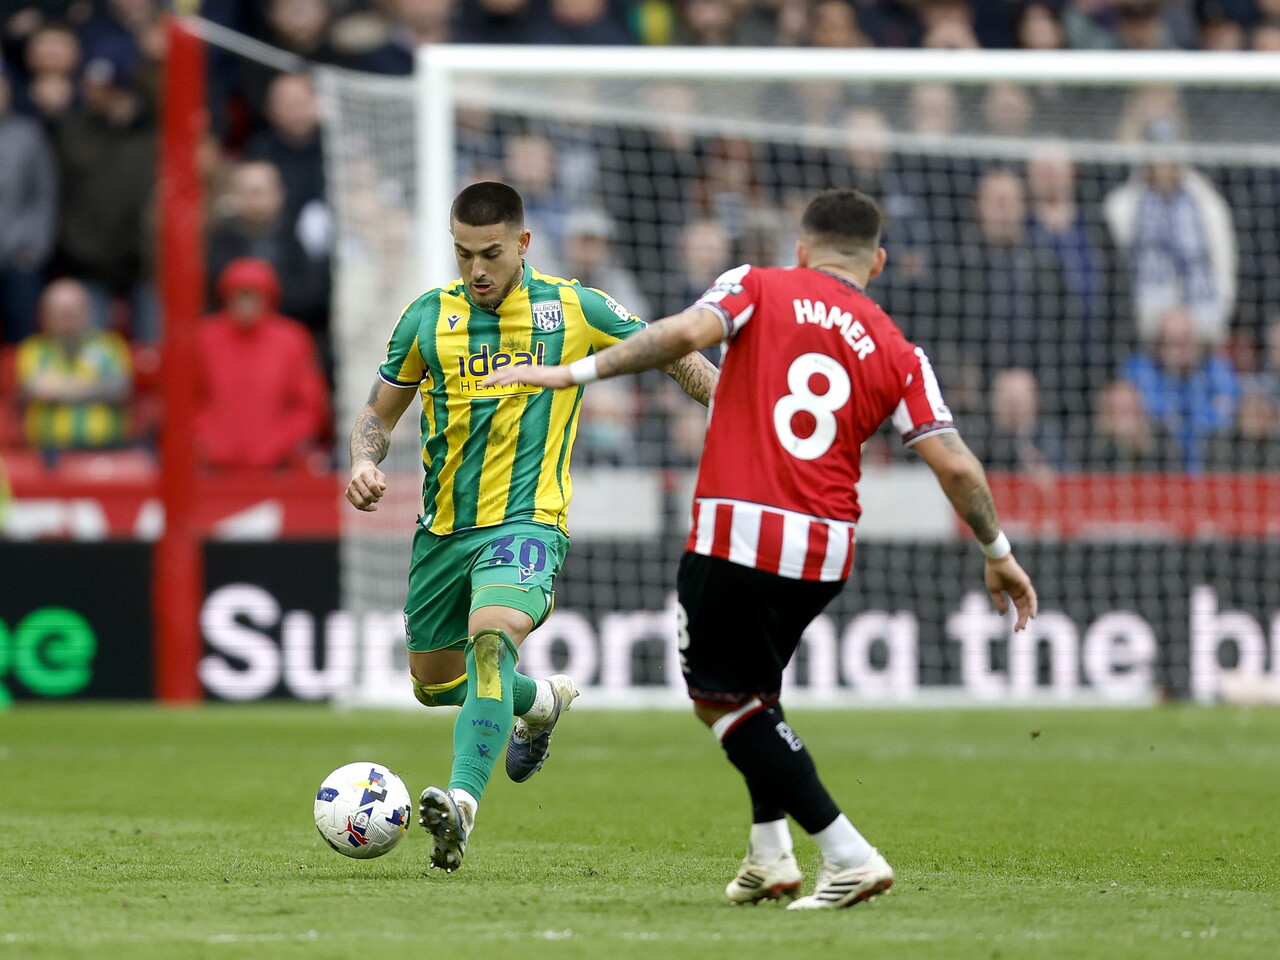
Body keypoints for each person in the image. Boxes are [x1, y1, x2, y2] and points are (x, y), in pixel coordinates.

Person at [484, 188, 1038, 909]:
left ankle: (847, 853)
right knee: (757, 694)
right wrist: (997, 550)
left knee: (720, 703)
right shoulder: (900, 350)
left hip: (738, 533)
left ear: (801, 249)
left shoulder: (756, 285)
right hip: (827, 554)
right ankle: (770, 855)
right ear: (878, 260)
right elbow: (958, 464)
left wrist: (571, 372)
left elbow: (682, 335)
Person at [344, 181, 717, 873]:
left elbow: (670, 350)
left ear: (522, 243)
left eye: (490, 253)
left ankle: (461, 806)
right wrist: (364, 462)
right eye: (462, 254)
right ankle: (540, 703)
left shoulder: (571, 306)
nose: (476, 270)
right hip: (443, 532)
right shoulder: (427, 318)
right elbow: (377, 415)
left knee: (491, 639)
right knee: (432, 684)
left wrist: (728, 400)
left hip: (528, 520)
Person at [195, 258, 329, 469]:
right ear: (226, 296)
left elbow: (311, 406)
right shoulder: (205, 338)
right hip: (214, 468)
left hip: (277, 468)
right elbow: (184, 401)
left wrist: (281, 441)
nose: (246, 303)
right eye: (239, 294)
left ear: (268, 296)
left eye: (254, 294)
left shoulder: (292, 340)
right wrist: (208, 440)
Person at [16, 277, 131, 459]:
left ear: (87, 312)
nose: (68, 321)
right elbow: (36, 389)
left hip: (107, 451)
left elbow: (119, 390)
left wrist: (59, 388)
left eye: (72, 312)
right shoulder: (33, 349)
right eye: (61, 314)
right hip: (48, 453)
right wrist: (96, 386)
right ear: (44, 316)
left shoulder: (110, 345)